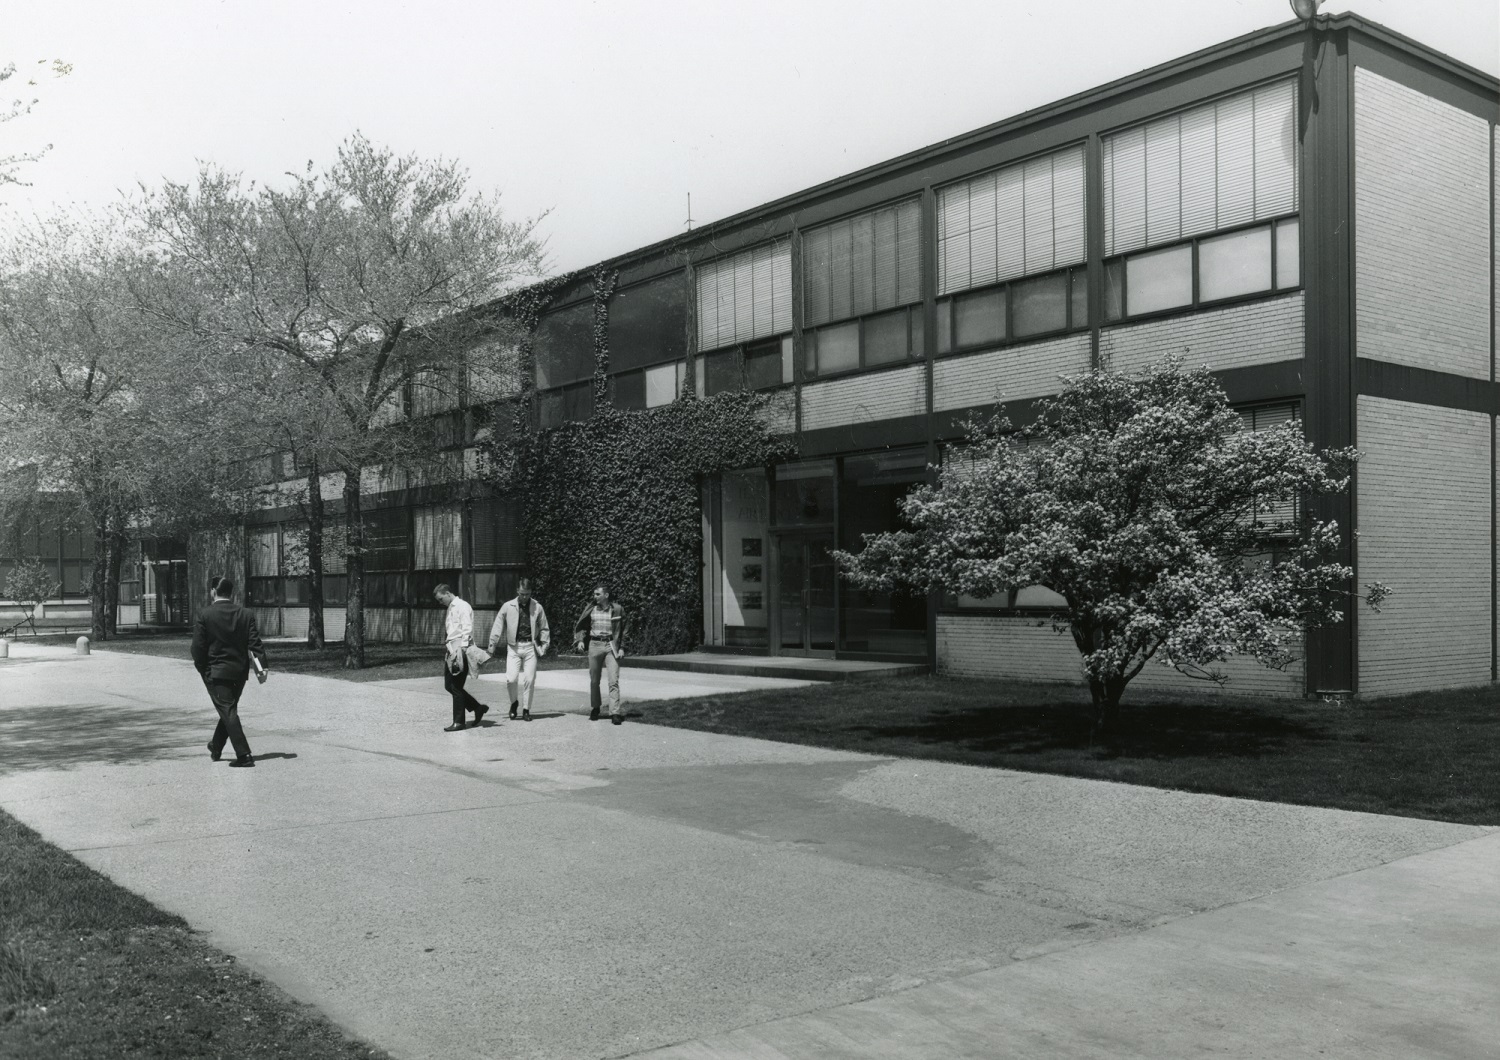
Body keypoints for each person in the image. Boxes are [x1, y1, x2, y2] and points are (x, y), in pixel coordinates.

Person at [191, 578, 269, 767]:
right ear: (231, 593)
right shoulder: (245, 614)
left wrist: (203, 669)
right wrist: (261, 669)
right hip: (240, 672)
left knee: (228, 710)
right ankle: (216, 746)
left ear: (213, 592)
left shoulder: (204, 614)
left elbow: (197, 648)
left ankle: (244, 755)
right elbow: (255, 644)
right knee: (228, 710)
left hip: (216, 672)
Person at [487, 577, 550, 721]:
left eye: (527, 594)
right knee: (511, 679)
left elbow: (544, 627)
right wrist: (492, 645)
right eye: (522, 594)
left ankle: (526, 709)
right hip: (513, 648)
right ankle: (514, 703)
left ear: (531, 592)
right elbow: (498, 625)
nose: (524, 597)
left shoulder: (537, 607)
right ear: (517, 591)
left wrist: (545, 644)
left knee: (529, 679)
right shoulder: (508, 606)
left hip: (530, 647)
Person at [435, 583, 488, 731]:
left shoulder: (462, 606)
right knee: (449, 685)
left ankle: (459, 722)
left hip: (460, 648)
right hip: (452, 648)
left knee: (456, 686)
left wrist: (462, 650)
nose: (440, 602)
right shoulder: (451, 608)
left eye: (441, 599)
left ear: (447, 593)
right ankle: (477, 708)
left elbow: (467, 628)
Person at [573, 584, 626, 725]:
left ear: (606, 595)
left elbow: (625, 630)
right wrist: (580, 640)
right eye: (594, 594)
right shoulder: (591, 609)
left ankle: (615, 712)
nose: (594, 597)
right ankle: (596, 708)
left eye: (597, 594)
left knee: (613, 680)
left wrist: (622, 648)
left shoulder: (617, 609)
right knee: (594, 680)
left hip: (611, 646)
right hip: (594, 645)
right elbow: (581, 626)